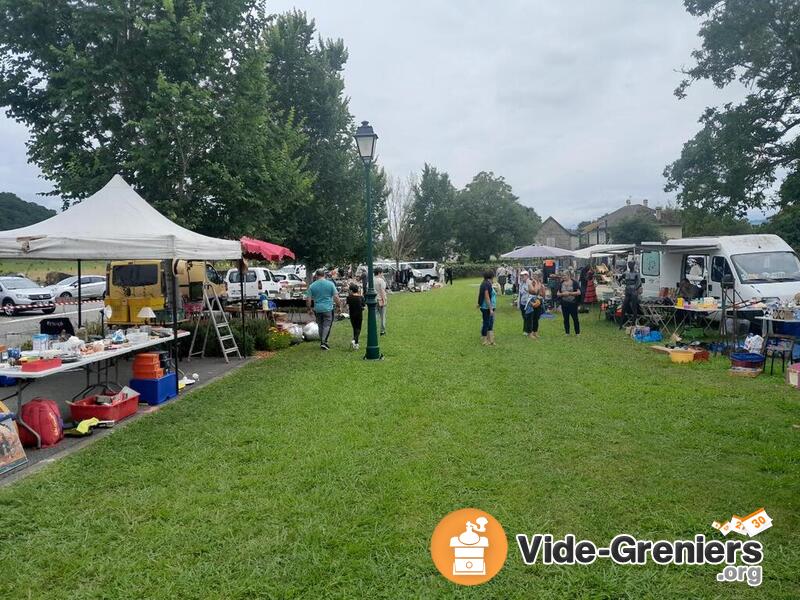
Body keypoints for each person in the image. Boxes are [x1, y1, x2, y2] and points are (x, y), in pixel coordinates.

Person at [306, 268, 340, 350]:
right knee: (327, 325)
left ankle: (323, 340)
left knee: (320, 325)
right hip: (328, 308)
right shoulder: (330, 284)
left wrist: (309, 309)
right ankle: (323, 341)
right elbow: (336, 296)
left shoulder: (312, 286)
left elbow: (308, 299)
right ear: (324, 275)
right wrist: (339, 306)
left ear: (316, 276)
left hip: (317, 308)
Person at [557, 270, 581, 335]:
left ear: (568, 275)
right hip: (564, 303)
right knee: (566, 319)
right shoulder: (561, 283)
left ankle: (577, 333)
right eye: (562, 275)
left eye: (564, 275)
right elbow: (558, 293)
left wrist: (570, 293)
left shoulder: (574, 282)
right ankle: (567, 333)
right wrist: (563, 294)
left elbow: (579, 292)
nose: (563, 277)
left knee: (575, 319)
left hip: (573, 303)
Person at [621, 260, 642, 328]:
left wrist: (635, 289)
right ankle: (621, 324)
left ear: (633, 265)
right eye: (629, 265)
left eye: (631, 265)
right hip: (627, 292)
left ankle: (633, 324)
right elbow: (619, 279)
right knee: (624, 307)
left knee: (634, 308)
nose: (630, 266)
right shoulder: (626, 273)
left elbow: (639, 283)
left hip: (633, 292)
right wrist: (622, 283)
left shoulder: (636, 273)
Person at [478, 270, 496, 345]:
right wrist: (491, 308)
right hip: (487, 307)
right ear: (491, 276)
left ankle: (490, 339)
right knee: (487, 323)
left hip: (487, 307)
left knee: (490, 323)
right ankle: (485, 340)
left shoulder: (485, 283)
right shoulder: (486, 284)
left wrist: (479, 303)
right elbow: (487, 297)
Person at [527, 271, 547, 339]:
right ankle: (530, 333)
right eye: (534, 275)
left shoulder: (541, 284)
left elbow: (543, 294)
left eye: (536, 275)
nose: (534, 276)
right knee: (531, 317)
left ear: (539, 277)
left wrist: (542, 297)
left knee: (536, 318)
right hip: (532, 301)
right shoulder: (531, 283)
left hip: (539, 302)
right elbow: (535, 291)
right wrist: (536, 284)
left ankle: (535, 332)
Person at [346, 282, 365, 350]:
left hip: (352, 314)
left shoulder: (349, 297)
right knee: (358, 328)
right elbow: (363, 306)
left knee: (354, 328)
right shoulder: (361, 297)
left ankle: (356, 344)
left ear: (351, 290)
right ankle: (355, 340)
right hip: (359, 315)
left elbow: (348, 306)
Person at [374, 266, 388, 335]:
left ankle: (374, 329)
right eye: (382, 272)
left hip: (374, 300)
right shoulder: (381, 280)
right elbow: (382, 291)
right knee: (383, 316)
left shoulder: (371, 280)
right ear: (379, 273)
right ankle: (382, 331)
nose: (383, 274)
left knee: (375, 316)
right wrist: (384, 300)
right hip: (380, 299)